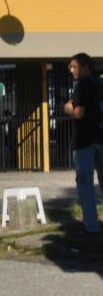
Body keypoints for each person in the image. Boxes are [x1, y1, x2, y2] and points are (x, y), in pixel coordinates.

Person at [64, 52, 103, 235]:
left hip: (84, 141)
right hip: (100, 139)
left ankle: (91, 225)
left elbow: (79, 113)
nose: (71, 70)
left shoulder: (82, 85)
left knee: (85, 184)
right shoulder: (99, 84)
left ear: (85, 67)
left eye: (74, 66)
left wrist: (68, 108)